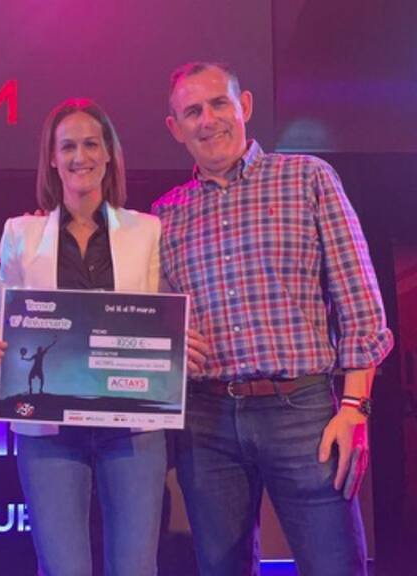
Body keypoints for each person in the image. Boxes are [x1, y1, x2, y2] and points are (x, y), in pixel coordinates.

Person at [153, 61, 394, 576]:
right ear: (175, 127)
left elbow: (360, 300)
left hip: (302, 411)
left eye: (219, 103)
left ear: (244, 106)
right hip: (206, 419)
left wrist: (355, 408)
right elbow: (155, 325)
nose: (207, 120)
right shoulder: (165, 214)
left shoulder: (307, 177)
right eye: (192, 112)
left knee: (334, 567)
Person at [0, 98, 207, 576]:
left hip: (133, 426)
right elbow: (5, 318)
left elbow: (161, 314)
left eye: (91, 144)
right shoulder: (20, 232)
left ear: (108, 154)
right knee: (62, 568)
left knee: (136, 568)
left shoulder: (147, 230)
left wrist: (180, 343)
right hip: (49, 432)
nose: (80, 156)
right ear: (52, 158)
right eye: (68, 146)